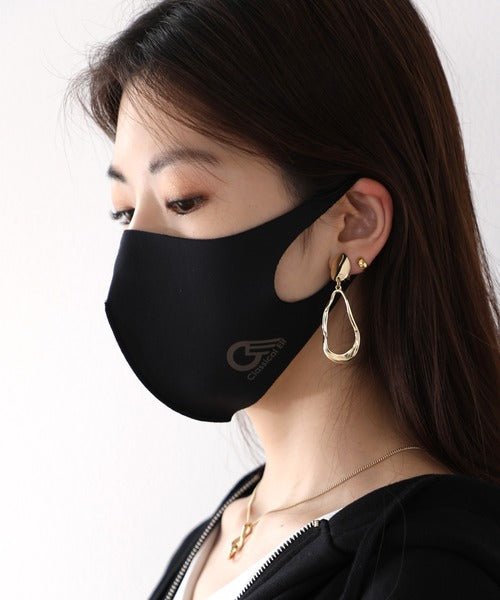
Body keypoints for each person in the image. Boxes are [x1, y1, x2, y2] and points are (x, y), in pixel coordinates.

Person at [65, 0, 500, 598]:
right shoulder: (223, 532)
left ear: (352, 223)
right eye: (124, 212)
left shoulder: (430, 567)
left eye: (182, 199)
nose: (140, 252)